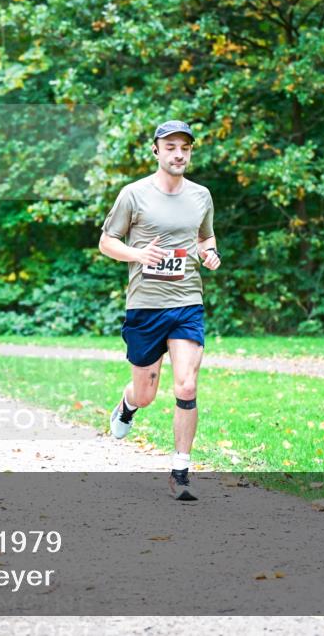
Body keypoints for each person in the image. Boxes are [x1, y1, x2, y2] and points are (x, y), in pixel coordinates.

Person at [98, 120, 221, 501]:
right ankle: (128, 404)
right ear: (155, 150)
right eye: (170, 147)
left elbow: (205, 235)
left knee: (186, 384)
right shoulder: (133, 195)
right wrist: (137, 254)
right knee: (146, 392)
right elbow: (106, 241)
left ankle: (180, 470)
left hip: (186, 302)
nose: (179, 153)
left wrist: (210, 252)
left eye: (185, 147)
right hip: (145, 306)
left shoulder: (201, 195)